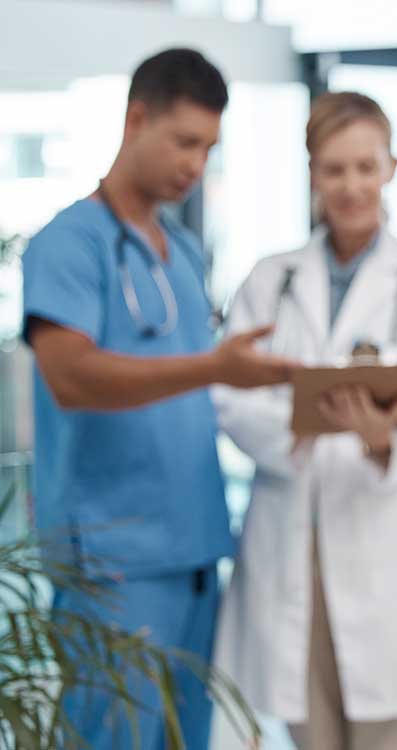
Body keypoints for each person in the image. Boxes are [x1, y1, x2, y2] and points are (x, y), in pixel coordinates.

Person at [20, 48, 295, 750]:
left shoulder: (181, 250)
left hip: (195, 554)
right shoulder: (67, 244)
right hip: (112, 564)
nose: (195, 164)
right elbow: (71, 377)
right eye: (184, 141)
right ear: (135, 118)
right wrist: (214, 367)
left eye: (207, 148)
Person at [212, 92, 397, 750]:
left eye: (364, 167)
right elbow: (233, 399)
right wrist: (295, 427)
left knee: (384, 736)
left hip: (382, 538)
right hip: (289, 541)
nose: (351, 186)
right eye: (334, 169)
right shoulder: (271, 280)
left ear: (392, 167)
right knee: (307, 735)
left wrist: (386, 443)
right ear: (313, 172)